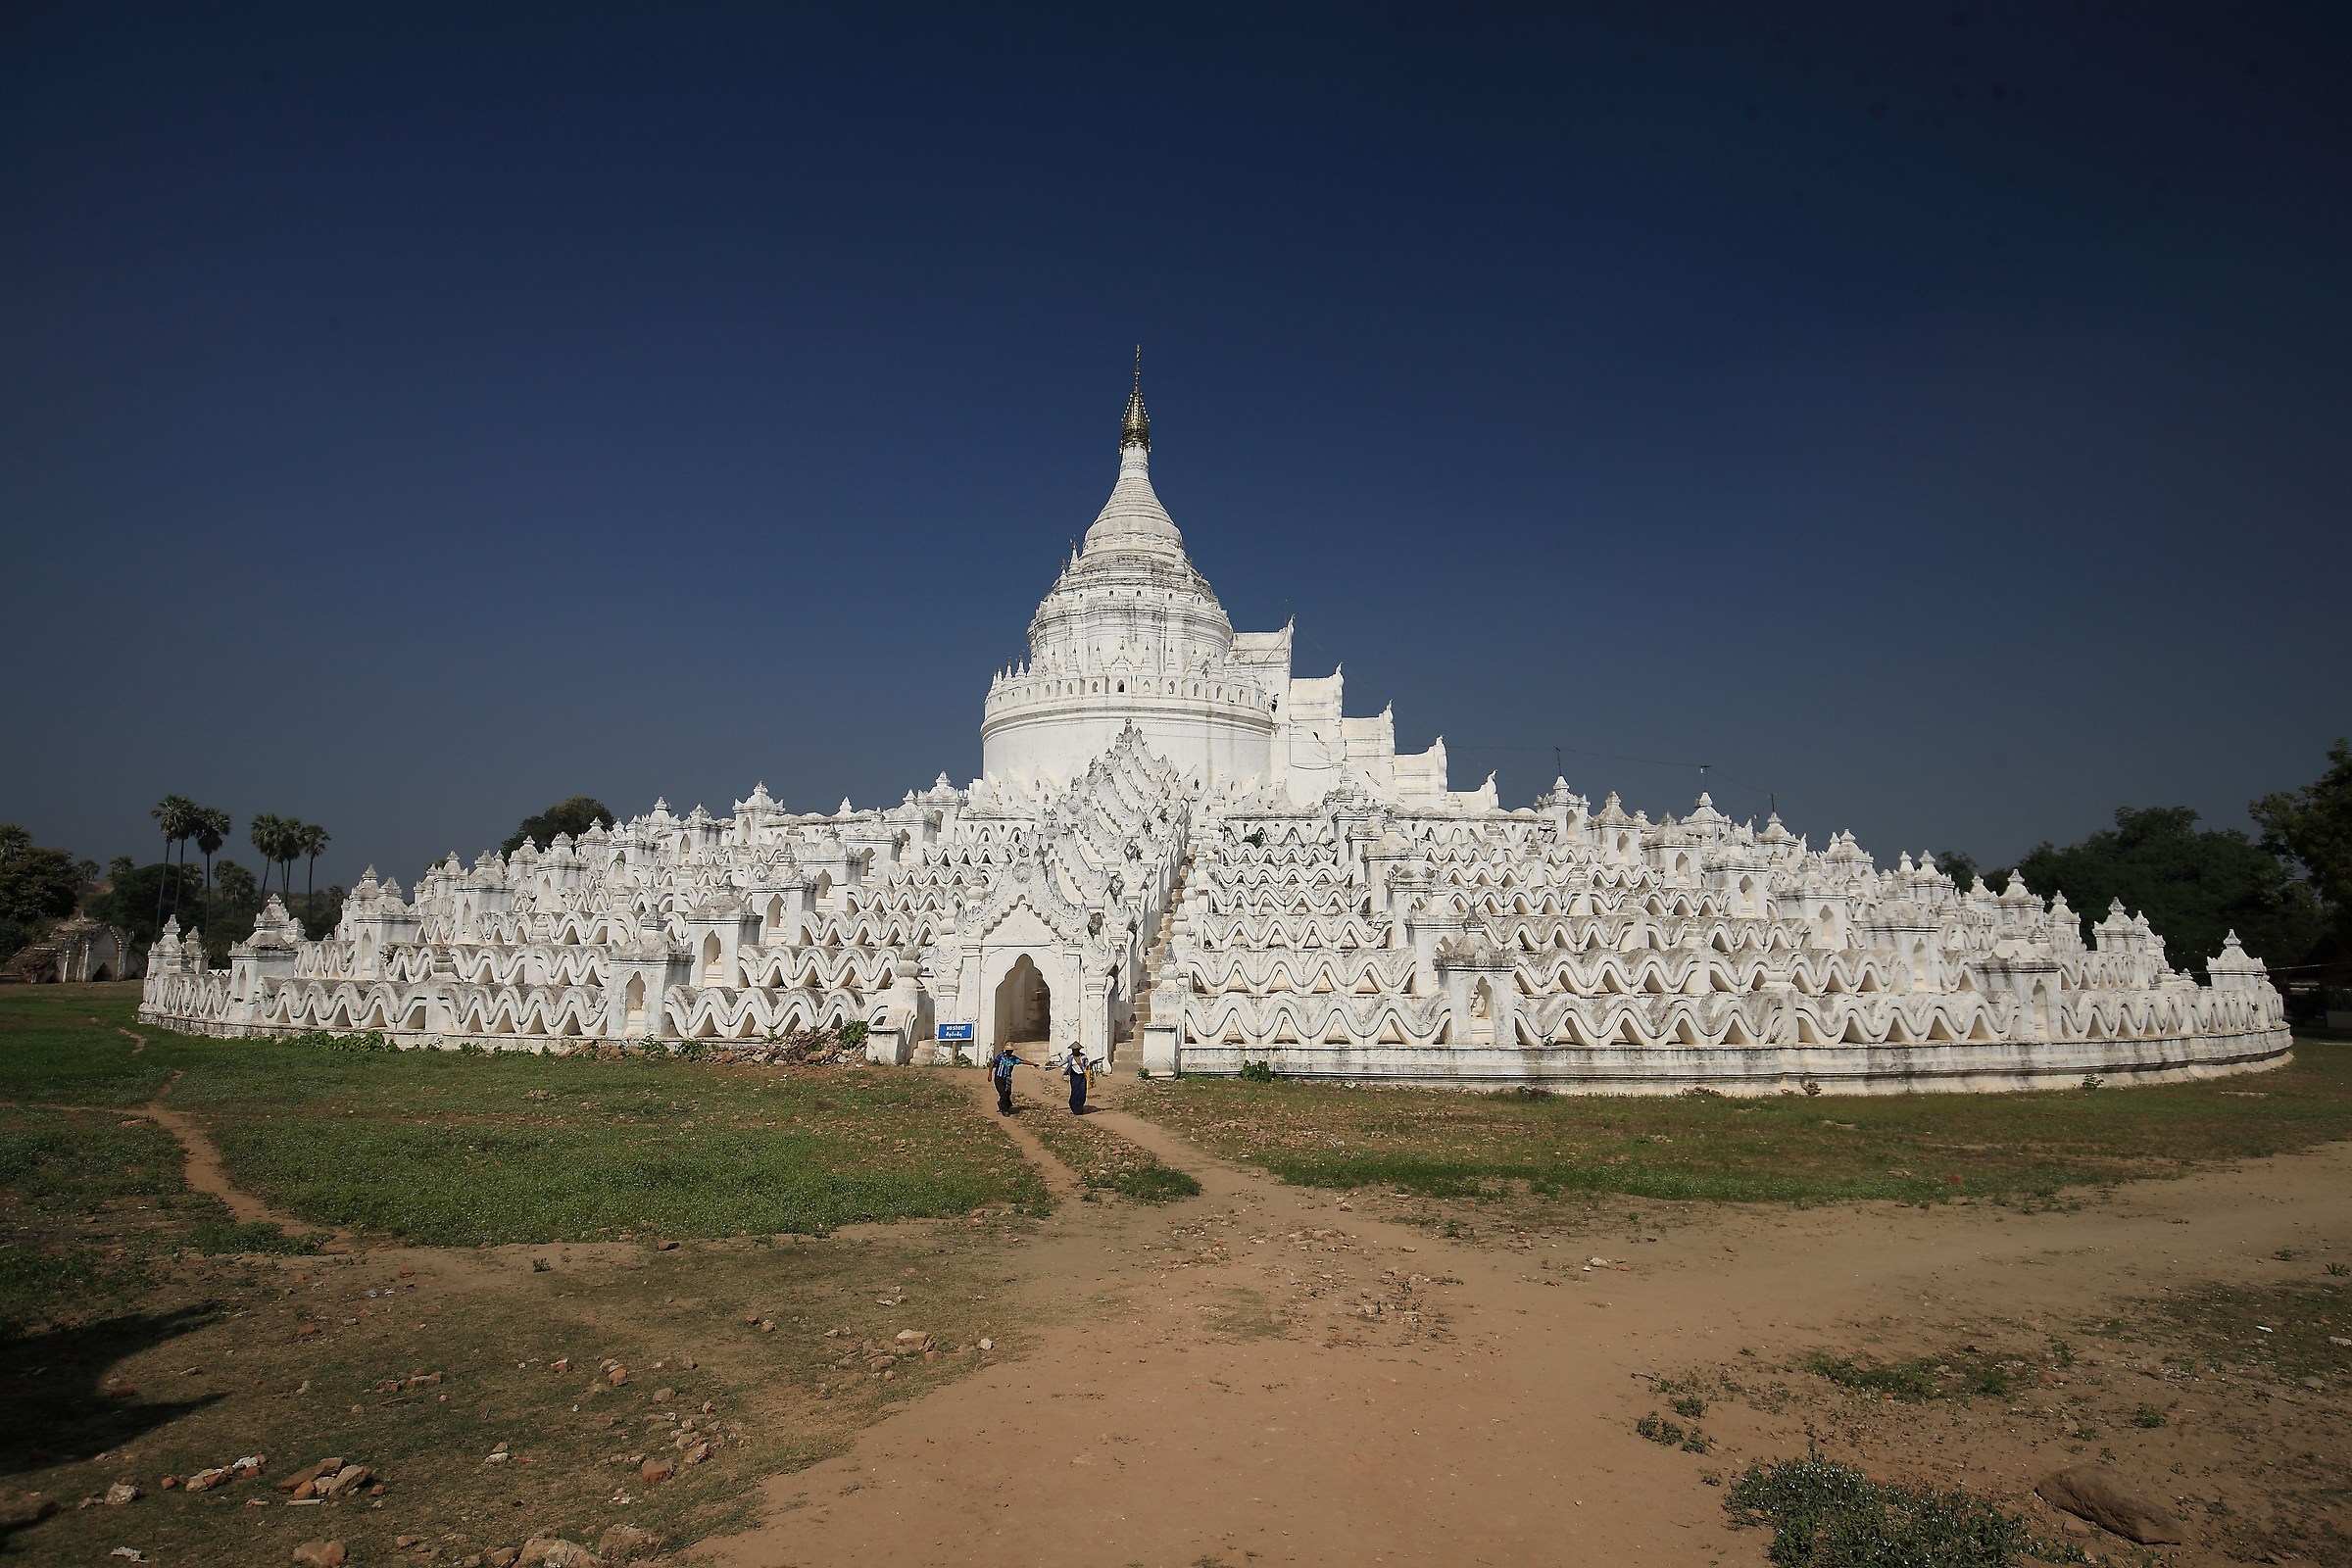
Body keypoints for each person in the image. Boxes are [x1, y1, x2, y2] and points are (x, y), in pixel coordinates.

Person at [990, 1046, 1026, 1115]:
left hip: (1007, 1078)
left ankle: (1001, 1104)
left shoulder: (1013, 1059)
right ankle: (1005, 1110)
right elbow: (992, 1064)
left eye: (1011, 1050)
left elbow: (1022, 1061)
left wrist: (1033, 1064)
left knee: (1007, 1093)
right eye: (1009, 1050)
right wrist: (990, 1074)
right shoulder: (1000, 1057)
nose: (1010, 1051)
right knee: (1003, 1094)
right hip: (999, 1078)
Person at [1063, 1040, 1090, 1115]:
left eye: (1076, 1050)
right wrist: (1052, 1066)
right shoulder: (1070, 1057)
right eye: (1074, 1050)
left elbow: (1087, 1064)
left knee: (1082, 1092)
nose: (1075, 1051)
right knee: (1075, 1091)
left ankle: (1079, 1108)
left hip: (1082, 1076)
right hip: (1074, 1076)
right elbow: (1062, 1062)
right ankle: (1074, 1107)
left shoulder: (1083, 1057)